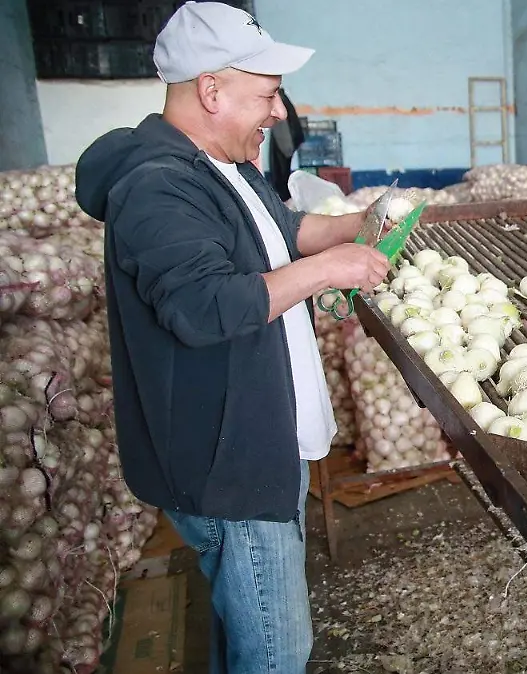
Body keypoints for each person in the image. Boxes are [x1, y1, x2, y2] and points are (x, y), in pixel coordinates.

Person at [74, 2, 390, 671]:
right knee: (276, 651)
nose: (277, 112)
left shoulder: (223, 165)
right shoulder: (157, 186)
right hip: (228, 465)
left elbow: (281, 229)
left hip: (261, 442)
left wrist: (354, 227)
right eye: (267, 95)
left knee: (244, 627)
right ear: (211, 91)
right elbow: (203, 307)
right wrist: (327, 270)